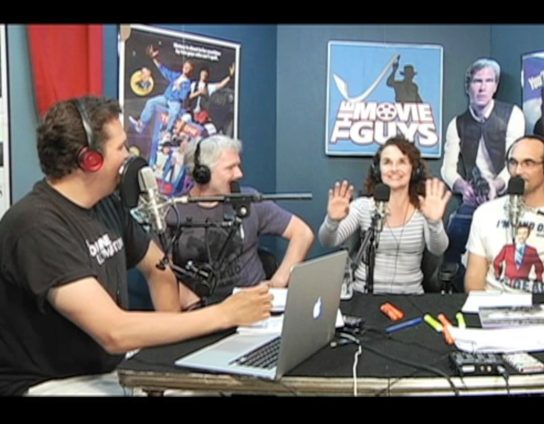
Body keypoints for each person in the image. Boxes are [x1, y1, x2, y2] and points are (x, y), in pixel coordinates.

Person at [0, 97, 272, 396]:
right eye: (120, 147)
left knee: (207, 390)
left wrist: (170, 354)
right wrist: (224, 314)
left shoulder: (107, 205)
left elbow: (159, 270)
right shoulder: (36, 226)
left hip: (108, 369)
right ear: (90, 160)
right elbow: (114, 332)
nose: (128, 155)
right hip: (49, 383)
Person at [168, 134, 314, 309]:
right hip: (205, 314)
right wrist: (192, 304)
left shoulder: (248, 200)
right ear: (202, 174)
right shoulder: (173, 213)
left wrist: (278, 283)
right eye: (230, 168)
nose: (239, 174)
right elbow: (162, 272)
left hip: (255, 309)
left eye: (238, 166)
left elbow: (302, 233)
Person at [464, 135, 544, 303]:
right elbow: (474, 282)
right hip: (490, 311)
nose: (518, 171)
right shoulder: (485, 213)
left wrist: (527, 314)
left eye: (528, 163)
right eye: (513, 163)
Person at [318, 136, 450, 294]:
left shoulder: (424, 209)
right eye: (387, 162)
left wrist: (434, 222)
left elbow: (438, 249)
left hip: (410, 296)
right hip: (364, 295)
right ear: (378, 170)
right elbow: (328, 241)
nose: (394, 168)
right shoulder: (363, 207)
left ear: (414, 169)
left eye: (401, 162)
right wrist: (332, 221)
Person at [440, 58, 525, 291]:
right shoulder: (457, 123)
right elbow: (448, 169)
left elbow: (516, 162)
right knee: (455, 234)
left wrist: (496, 184)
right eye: (477, 81)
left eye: (488, 81)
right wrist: (462, 186)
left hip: (506, 197)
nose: (482, 87)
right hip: (472, 199)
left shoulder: (513, 115)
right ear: (468, 86)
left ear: (495, 86)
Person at [128, 45, 194, 145]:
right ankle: (141, 124)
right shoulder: (176, 76)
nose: (186, 68)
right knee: (151, 102)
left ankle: (168, 133)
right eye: (185, 66)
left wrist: (179, 88)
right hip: (166, 98)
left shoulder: (188, 84)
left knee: (174, 112)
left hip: (175, 102)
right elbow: (163, 70)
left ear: (191, 70)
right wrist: (154, 58)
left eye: (188, 67)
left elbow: (183, 97)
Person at [493, 224, 544, 293]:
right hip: (506, 284)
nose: (522, 236)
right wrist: (497, 272)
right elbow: (497, 261)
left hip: (523, 286)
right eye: (520, 233)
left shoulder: (532, 250)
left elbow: (539, 267)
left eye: (524, 233)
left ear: (528, 235)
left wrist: (539, 279)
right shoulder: (507, 248)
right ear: (516, 234)